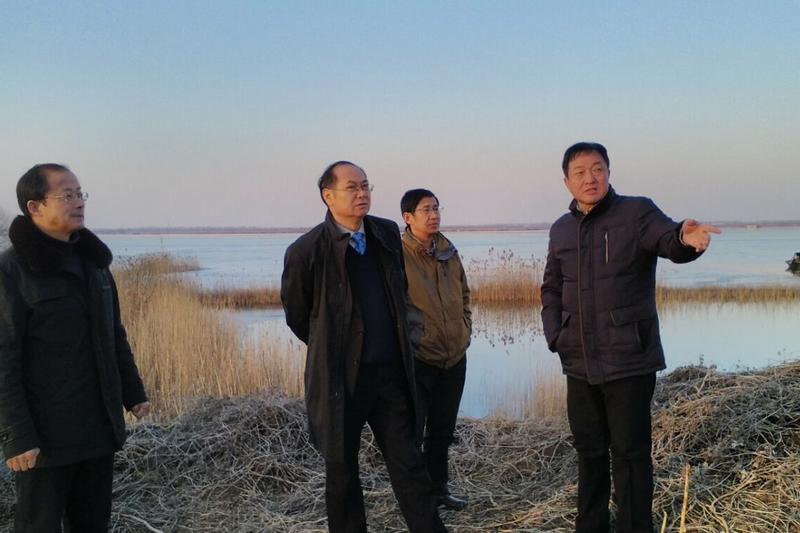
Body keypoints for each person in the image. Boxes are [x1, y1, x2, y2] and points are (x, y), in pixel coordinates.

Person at [540, 143, 720, 533]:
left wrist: (686, 237)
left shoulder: (636, 213)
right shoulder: (561, 229)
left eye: (598, 169)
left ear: (609, 172)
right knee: (589, 451)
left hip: (629, 358)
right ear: (567, 181)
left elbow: (668, 239)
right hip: (579, 361)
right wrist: (557, 334)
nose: (590, 178)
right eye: (580, 172)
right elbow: (551, 287)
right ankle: (591, 526)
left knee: (630, 454)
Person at [281, 161, 447, 533]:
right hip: (341, 380)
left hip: (389, 374)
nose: (362, 193)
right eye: (353, 187)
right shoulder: (306, 251)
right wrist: (335, 347)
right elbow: (300, 317)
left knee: (409, 464)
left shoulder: (385, 234)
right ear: (328, 195)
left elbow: (399, 291)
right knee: (342, 472)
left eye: (366, 186)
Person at [0, 164, 150, 532]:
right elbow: (3, 358)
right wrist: (16, 435)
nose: (79, 202)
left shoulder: (94, 263)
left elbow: (113, 334)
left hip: (97, 427)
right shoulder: (12, 271)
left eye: (80, 194)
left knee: (92, 523)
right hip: (44, 436)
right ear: (35, 207)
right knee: (38, 525)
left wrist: (133, 393)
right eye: (67, 195)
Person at [400, 189, 470, 511]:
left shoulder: (448, 251)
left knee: (443, 431)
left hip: (454, 356)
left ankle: (439, 491)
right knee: (413, 433)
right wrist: (412, 341)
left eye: (437, 208)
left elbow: (464, 294)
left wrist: (464, 330)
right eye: (426, 210)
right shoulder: (399, 256)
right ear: (408, 217)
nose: (434, 215)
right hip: (420, 358)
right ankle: (417, 499)